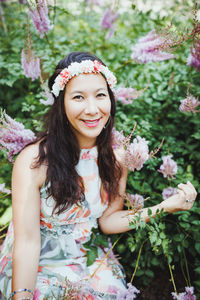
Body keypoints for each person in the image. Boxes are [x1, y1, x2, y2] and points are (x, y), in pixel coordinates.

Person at [0, 51, 197, 300]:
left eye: (100, 95)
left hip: (86, 256)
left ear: (111, 100)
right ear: (61, 104)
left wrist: (165, 207)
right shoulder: (35, 161)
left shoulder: (117, 158)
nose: (92, 109)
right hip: (37, 262)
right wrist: (22, 296)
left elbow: (107, 221)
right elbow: (27, 243)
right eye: (79, 97)